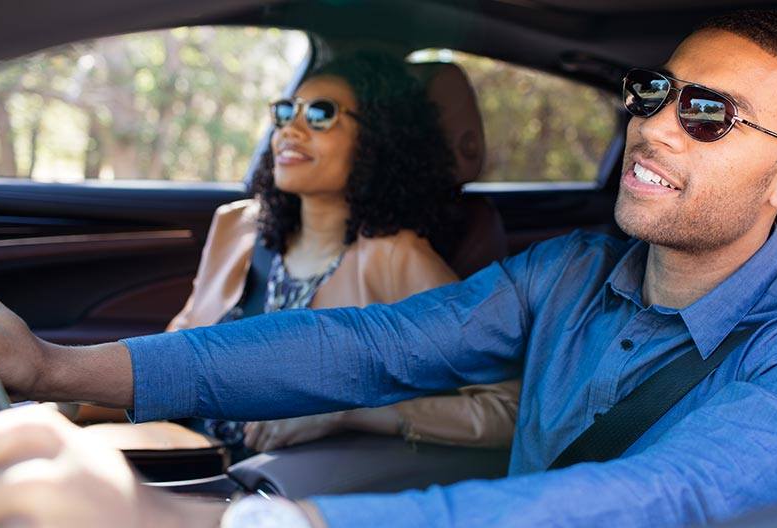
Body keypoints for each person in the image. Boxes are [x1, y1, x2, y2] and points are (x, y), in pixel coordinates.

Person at [0, 9, 777, 528]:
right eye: (653, 92)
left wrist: (223, 524)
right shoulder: (570, 272)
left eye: (707, 115)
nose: (653, 126)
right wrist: (53, 368)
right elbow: (360, 347)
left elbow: (668, 498)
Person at [76, 51, 519, 456]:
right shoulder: (238, 226)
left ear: (377, 139)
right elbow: (176, 351)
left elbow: (505, 410)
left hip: (271, 484)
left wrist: (352, 414)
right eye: (286, 112)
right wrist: (74, 394)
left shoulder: (399, 258)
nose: (291, 129)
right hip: (186, 451)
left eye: (321, 114)